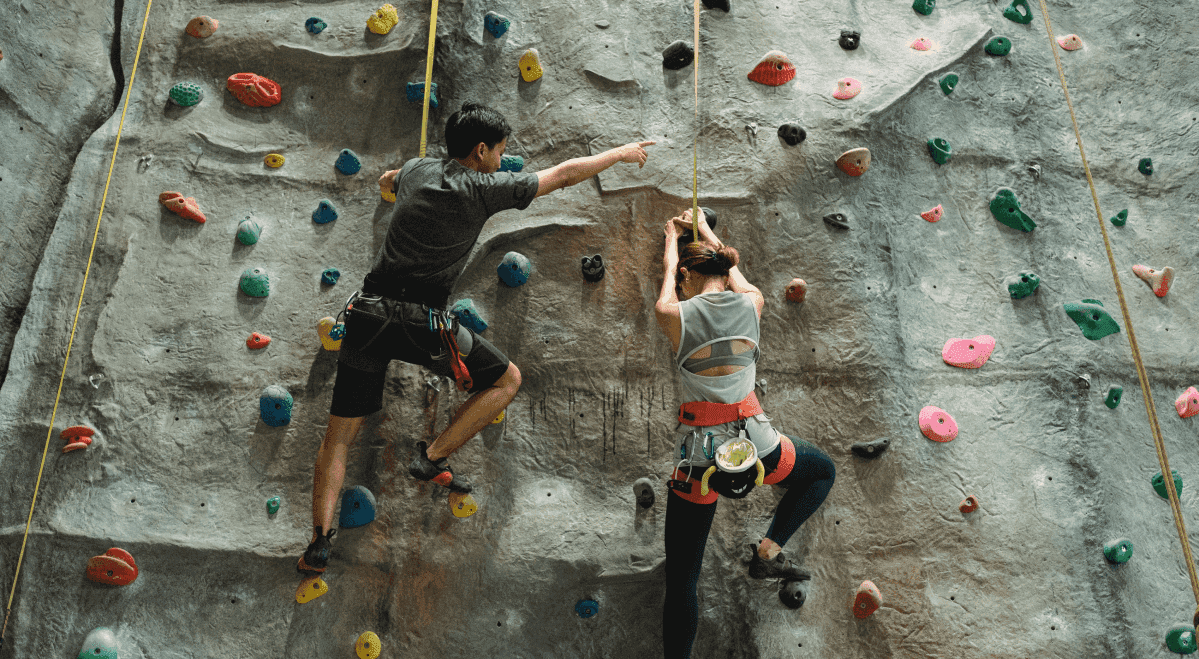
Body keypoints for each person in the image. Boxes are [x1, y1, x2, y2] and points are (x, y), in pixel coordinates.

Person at [298, 102, 654, 574]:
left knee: (338, 439)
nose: (502, 160)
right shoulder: (485, 189)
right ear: (481, 150)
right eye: (500, 152)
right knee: (506, 380)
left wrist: (396, 188)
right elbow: (565, 175)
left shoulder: (417, 170)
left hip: (369, 314)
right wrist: (621, 153)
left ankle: (319, 544)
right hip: (423, 323)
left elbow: (387, 180)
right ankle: (432, 455)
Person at [653, 209, 836, 659]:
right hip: (759, 446)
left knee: (683, 579)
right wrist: (706, 229)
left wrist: (670, 241)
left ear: (685, 274)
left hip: (702, 463)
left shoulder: (671, 313)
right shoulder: (752, 301)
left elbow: (668, 281)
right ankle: (769, 552)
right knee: (820, 472)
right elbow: (734, 274)